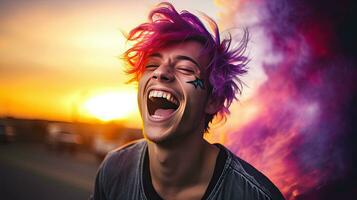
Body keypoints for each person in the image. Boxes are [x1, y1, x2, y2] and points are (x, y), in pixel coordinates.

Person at [91, 2, 284, 200]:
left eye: (185, 68)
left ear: (213, 100)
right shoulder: (114, 170)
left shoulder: (255, 196)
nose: (160, 73)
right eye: (152, 65)